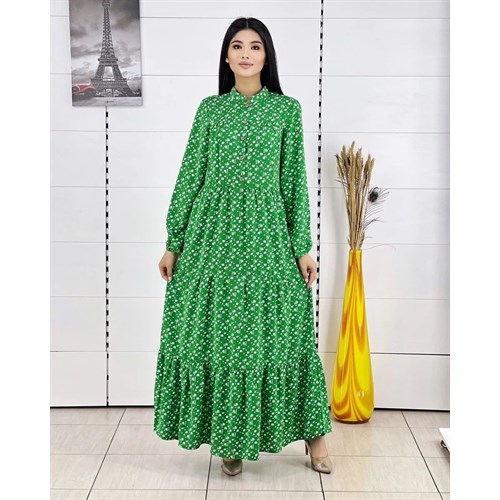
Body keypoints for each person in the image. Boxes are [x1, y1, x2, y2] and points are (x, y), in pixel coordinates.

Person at [154, 17, 333, 476]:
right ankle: (229, 438)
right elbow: (190, 176)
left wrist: (302, 247)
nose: (246, 53)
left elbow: (293, 182)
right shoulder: (210, 110)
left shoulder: (286, 110)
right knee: (221, 335)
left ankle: (316, 439)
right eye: (237, 46)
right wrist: (174, 242)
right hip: (211, 238)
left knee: (286, 332)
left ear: (266, 55)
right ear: (226, 56)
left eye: (255, 46)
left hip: (267, 236)